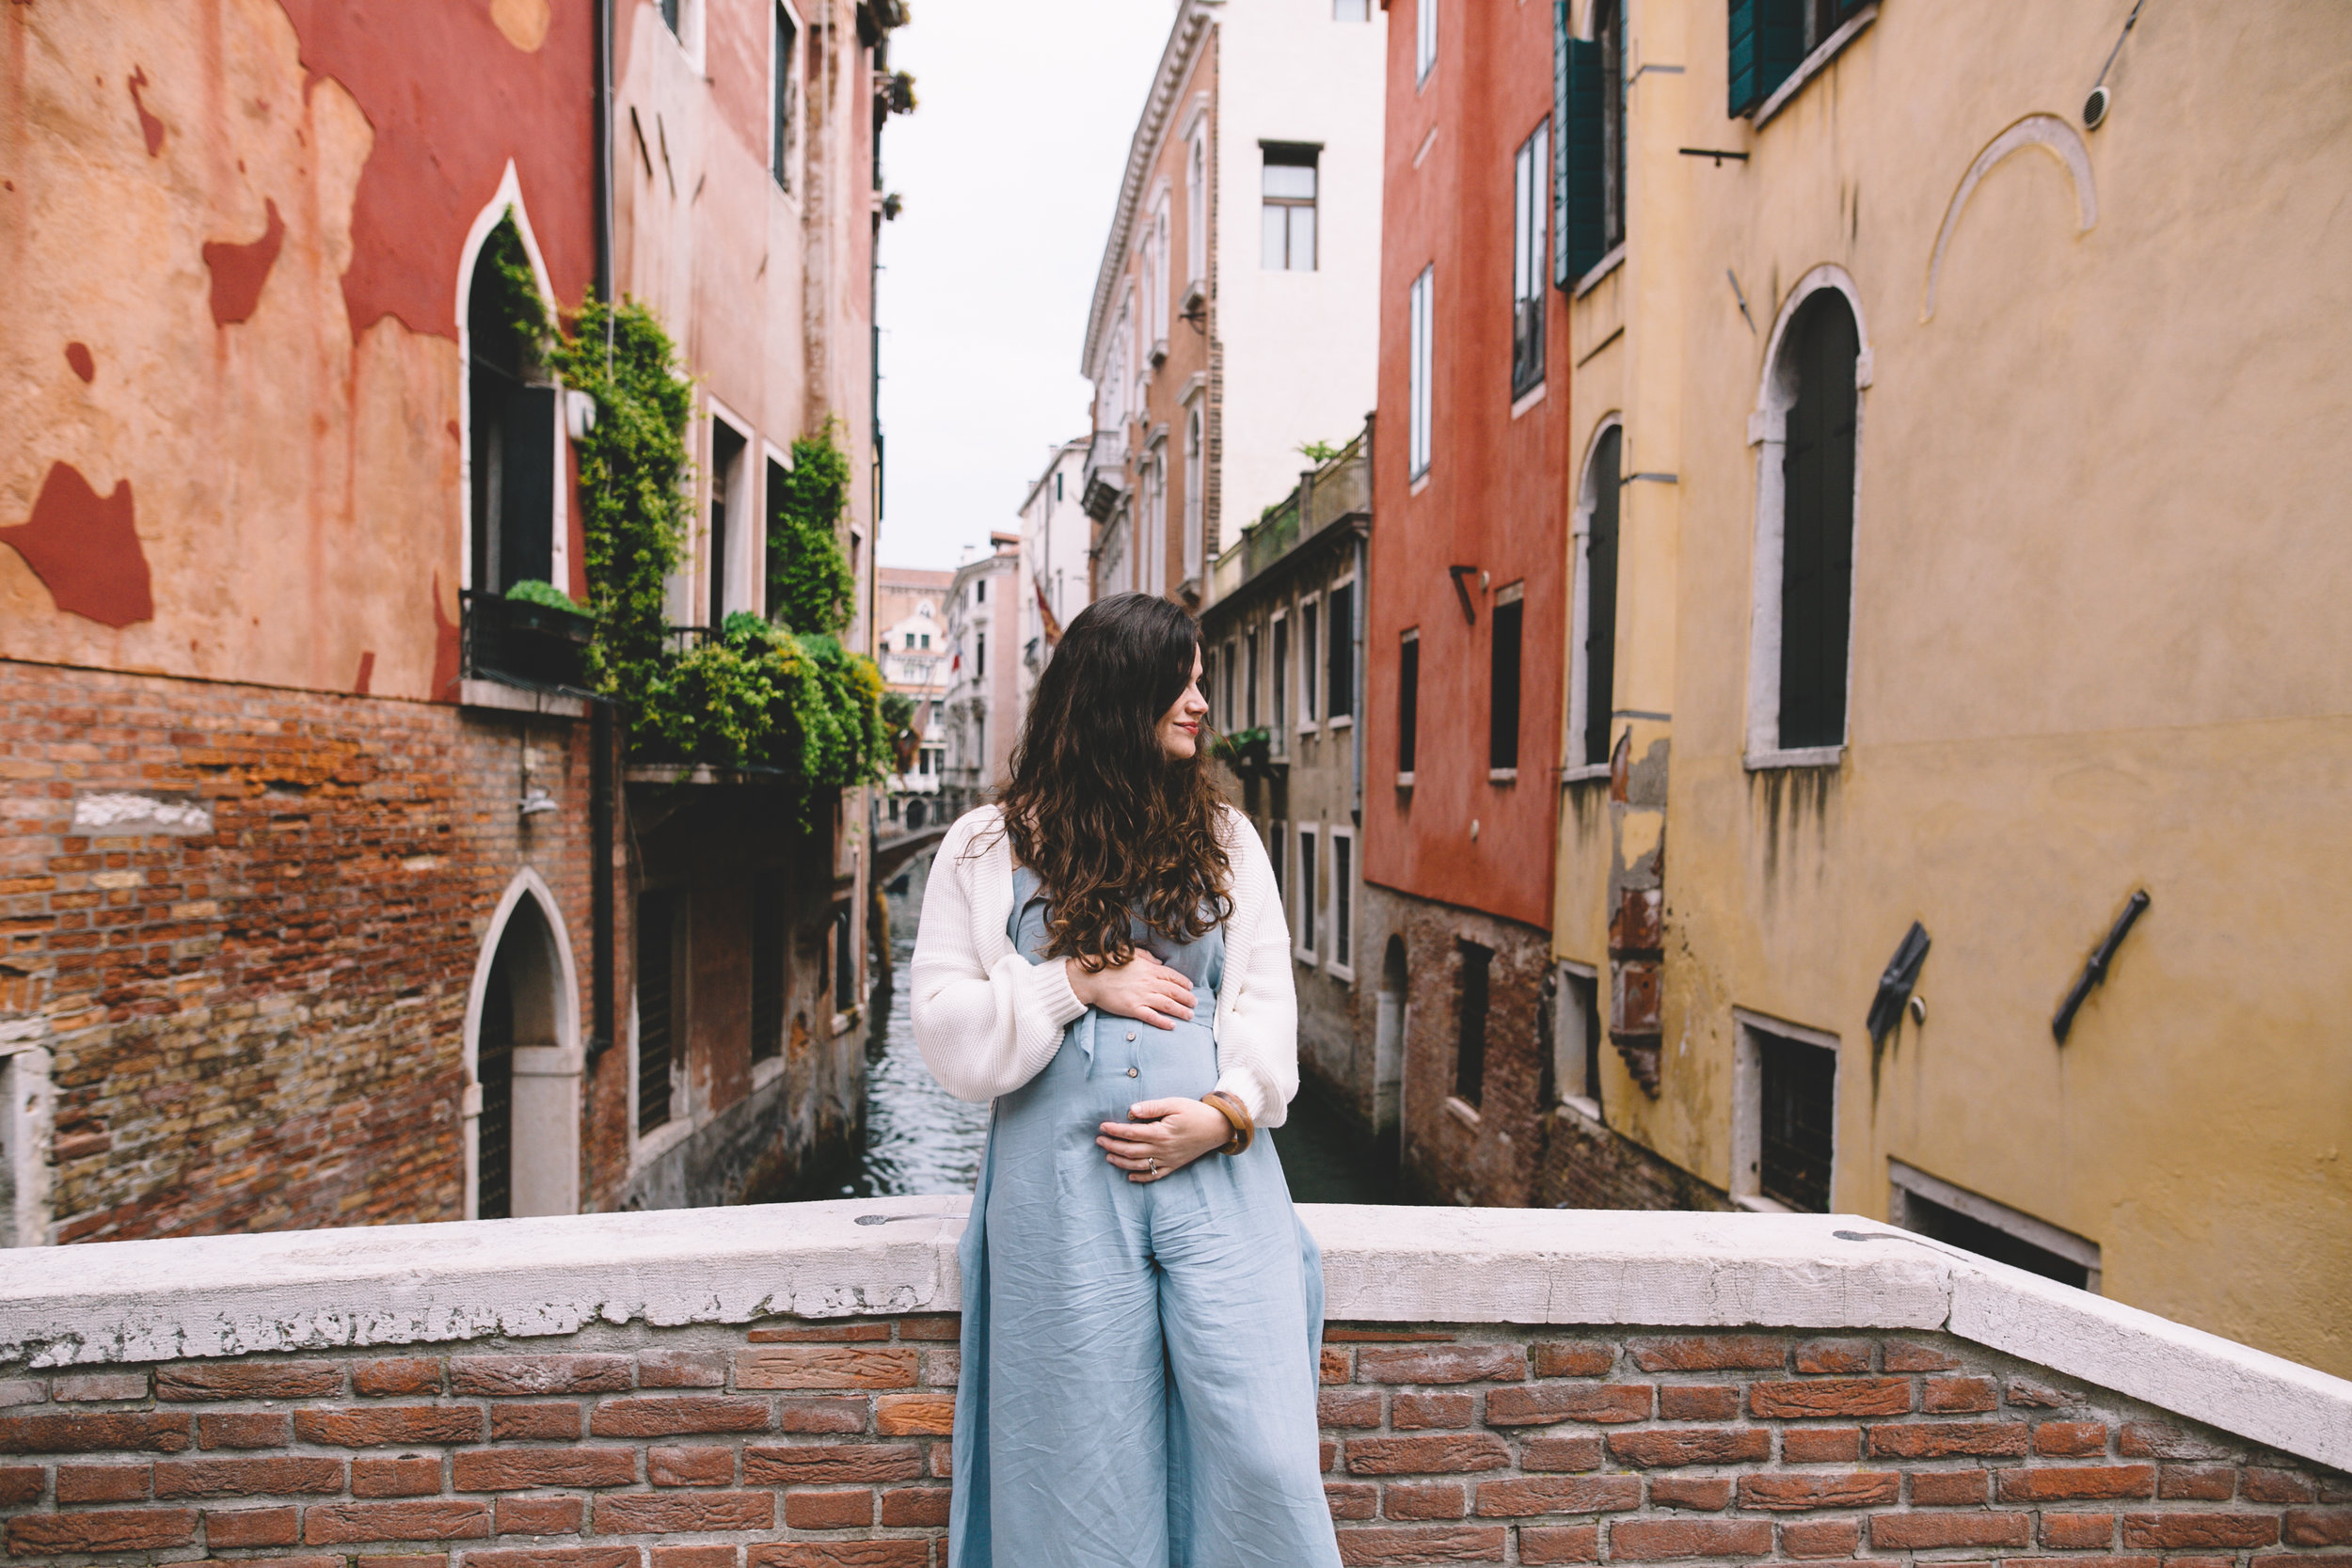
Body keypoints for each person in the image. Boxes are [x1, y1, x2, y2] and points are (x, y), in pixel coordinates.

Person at [911, 593, 1340, 1568]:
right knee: (1078, 1473)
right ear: (1116, 691)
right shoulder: (983, 846)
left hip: (1217, 1175)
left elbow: (1269, 1005)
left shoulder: (1229, 839)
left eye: (1199, 680)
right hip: (1058, 1194)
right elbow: (941, 1027)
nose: (1199, 701)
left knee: (1265, 1452)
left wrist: (1224, 1114)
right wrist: (1071, 980)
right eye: (1178, 681)